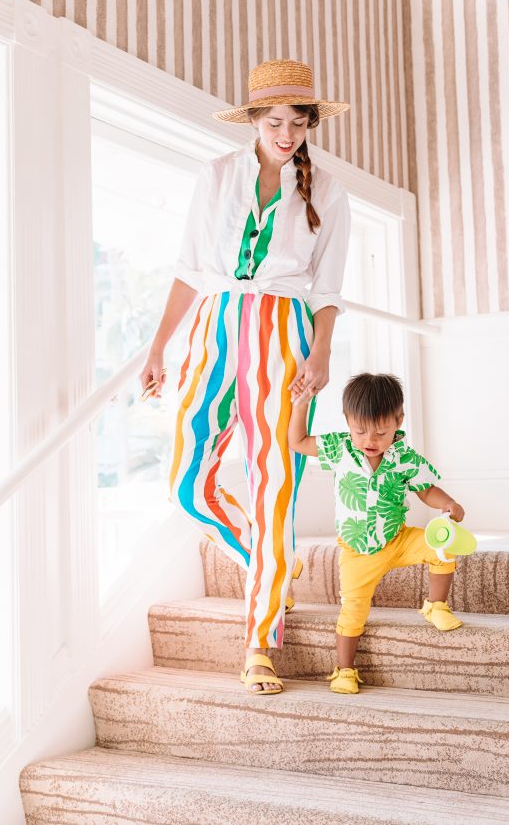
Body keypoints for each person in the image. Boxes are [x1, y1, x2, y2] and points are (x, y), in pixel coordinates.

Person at [139, 59, 351, 695]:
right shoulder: (217, 175)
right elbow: (188, 268)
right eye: (274, 121)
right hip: (214, 326)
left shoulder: (328, 190)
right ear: (255, 120)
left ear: (311, 124)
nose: (286, 134)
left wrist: (321, 354)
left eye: (297, 122)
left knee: (276, 481)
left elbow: (329, 287)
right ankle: (271, 562)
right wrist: (158, 348)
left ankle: (261, 640)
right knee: (186, 484)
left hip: (286, 333)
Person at [288, 372, 465, 695]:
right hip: (357, 552)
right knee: (353, 610)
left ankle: (435, 605)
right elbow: (297, 442)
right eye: (360, 431)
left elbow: (426, 491)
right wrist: (301, 405)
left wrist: (449, 504)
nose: (370, 440)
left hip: (397, 540)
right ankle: (344, 669)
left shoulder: (404, 458)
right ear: (347, 423)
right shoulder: (340, 448)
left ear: (398, 421)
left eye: (382, 432)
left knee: (443, 545)